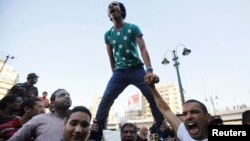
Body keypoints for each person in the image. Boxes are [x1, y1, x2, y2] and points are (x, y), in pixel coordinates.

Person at [89, 1, 164, 140]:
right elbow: (110, 57)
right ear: (108, 15)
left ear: (121, 11)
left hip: (137, 69)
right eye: (109, 7)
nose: (112, 6)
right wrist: (115, 75)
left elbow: (143, 49)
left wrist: (149, 70)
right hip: (119, 72)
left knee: (153, 97)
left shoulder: (133, 28)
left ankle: (162, 129)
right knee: (106, 99)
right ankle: (96, 132)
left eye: (115, 5)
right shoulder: (108, 35)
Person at [144, 73, 210, 141]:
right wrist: (152, 87)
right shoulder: (185, 134)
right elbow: (165, 110)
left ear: (208, 118)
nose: (188, 117)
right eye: (184, 114)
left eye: (194, 112)